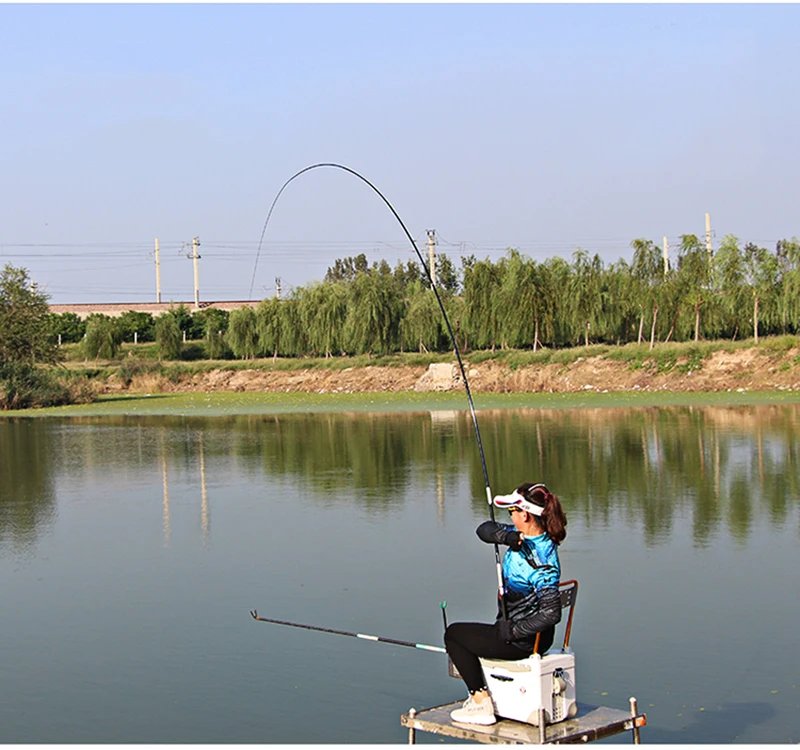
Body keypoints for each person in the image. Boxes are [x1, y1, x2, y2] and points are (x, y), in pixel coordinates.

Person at [444, 482, 568, 726]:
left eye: (513, 511)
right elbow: (484, 530)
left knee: (454, 635)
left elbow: (551, 614)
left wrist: (512, 632)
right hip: (525, 634)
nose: (510, 515)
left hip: (522, 640)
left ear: (525, 514)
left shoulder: (541, 562)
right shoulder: (527, 537)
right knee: (470, 635)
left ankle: (480, 703)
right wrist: (506, 537)